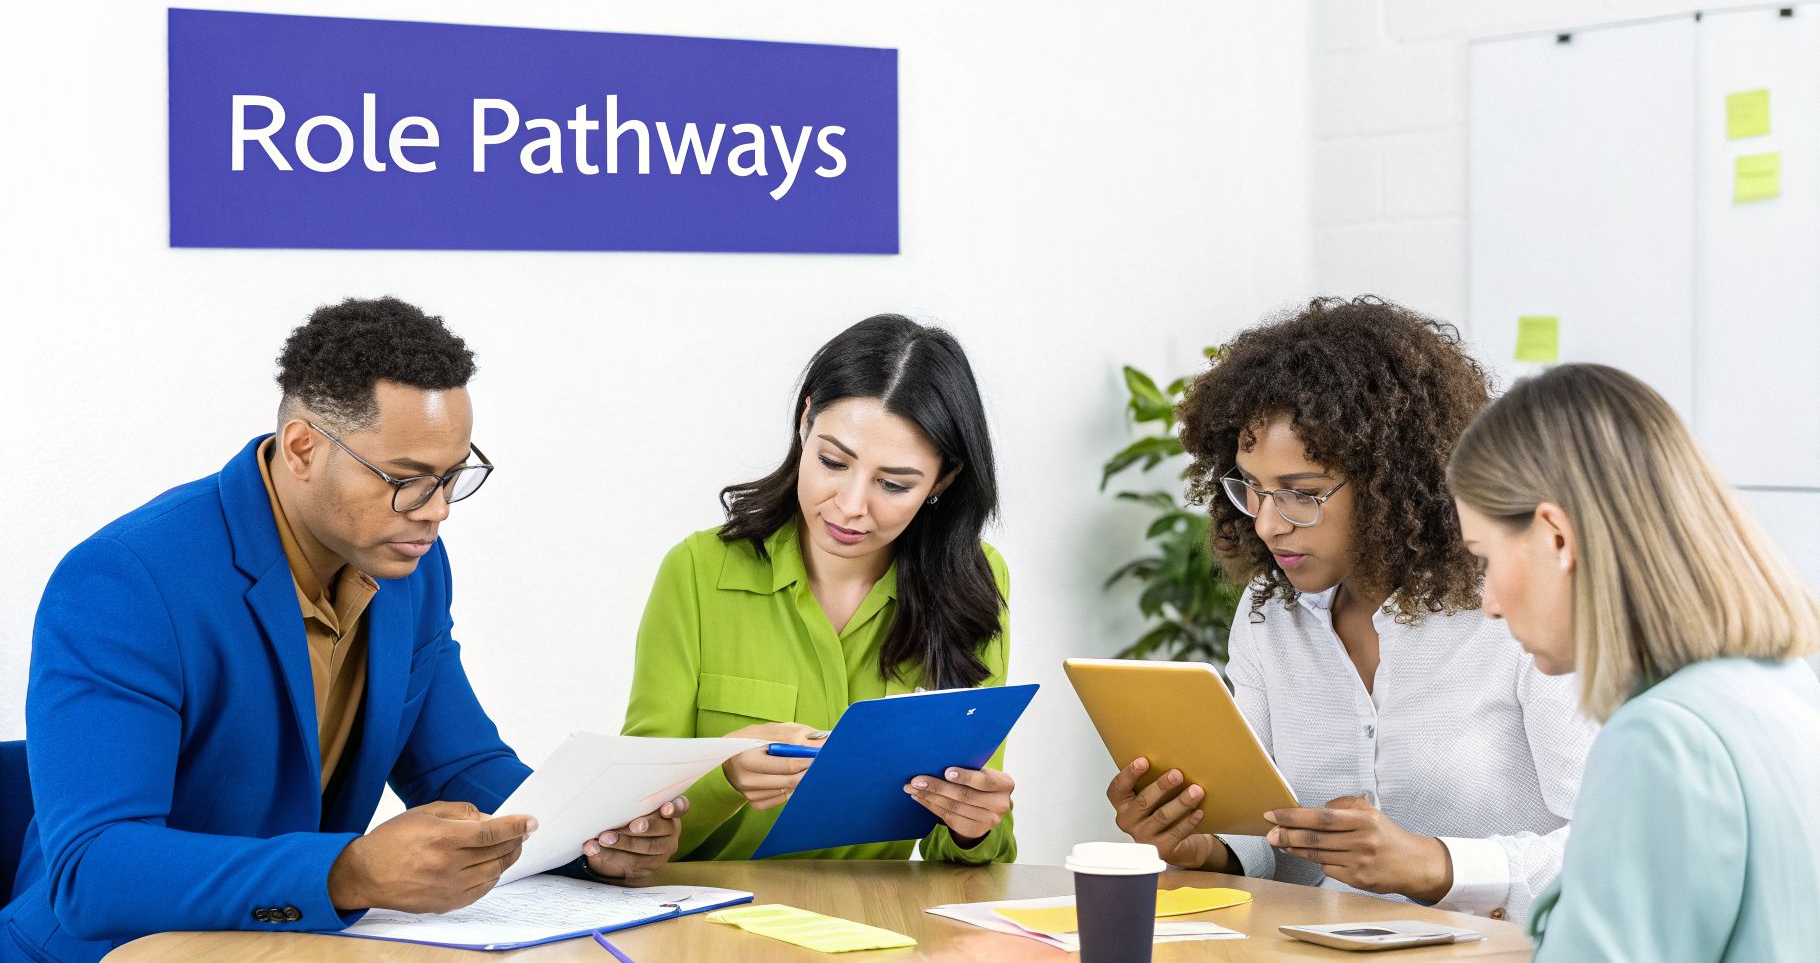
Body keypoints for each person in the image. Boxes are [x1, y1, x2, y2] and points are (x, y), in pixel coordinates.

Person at [2, 298, 684, 963]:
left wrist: (586, 835)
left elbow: (456, 765)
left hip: (293, 946)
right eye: (409, 479)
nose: (438, 512)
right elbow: (92, 870)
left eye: (453, 477)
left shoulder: (407, 564)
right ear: (302, 448)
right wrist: (348, 872)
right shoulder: (126, 582)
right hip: (117, 953)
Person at [1105, 296, 1594, 924]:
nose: (1266, 523)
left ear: (1397, 480)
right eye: (1250, 488)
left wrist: (1437, 865)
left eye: (1301, 494)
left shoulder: (1520, 612)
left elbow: (1620, 844)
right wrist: (1204, 845)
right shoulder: (1267, 613)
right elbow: (1258, 827)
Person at [1450, 363, 1820, 960]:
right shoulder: (1778, 685)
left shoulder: (1659, 738)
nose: (1488, 604)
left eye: (1483, 558)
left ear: (1557, 538)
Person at [622, 314, 1016, 863]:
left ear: (943, 481)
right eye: (833, 462)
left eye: (894, 484)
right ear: (805, 422)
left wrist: (974, 827)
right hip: (709, 919)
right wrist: (724, 776)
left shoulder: (973, 581)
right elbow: (628, 820)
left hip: (879, 928)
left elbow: (980, 848)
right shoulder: (697, 570)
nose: (852, 506)